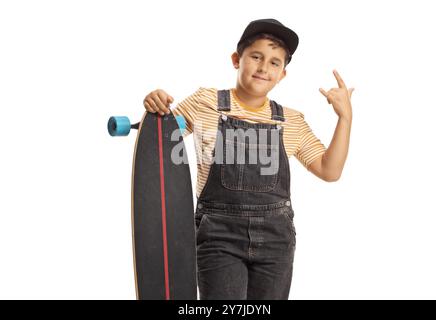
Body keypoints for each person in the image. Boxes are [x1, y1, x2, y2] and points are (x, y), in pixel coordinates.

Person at [143, 18, 354, 300]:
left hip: (276, 240)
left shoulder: (291, 120)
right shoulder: (205, 103)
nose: (264, 67)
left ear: (283, 75)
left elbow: (330, 170)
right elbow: (161, 134)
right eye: (256, 56)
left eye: (275, 62)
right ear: (236, 59)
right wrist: (156, 106)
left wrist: (345, 118)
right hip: (219, 237)